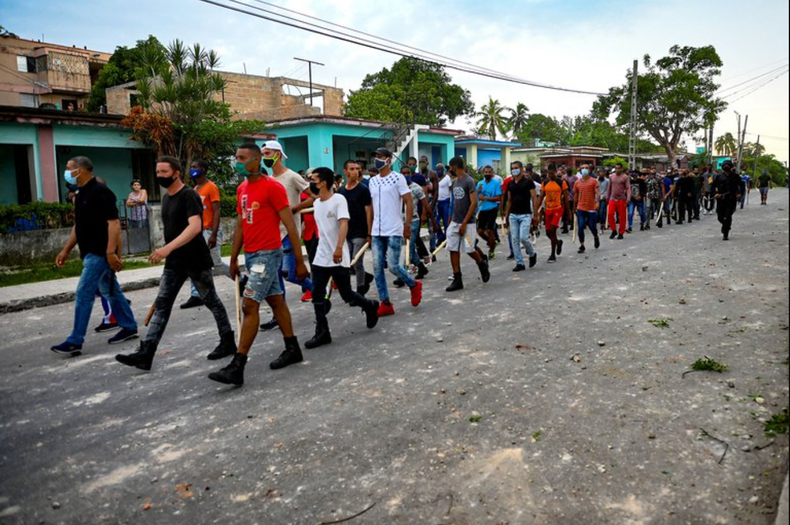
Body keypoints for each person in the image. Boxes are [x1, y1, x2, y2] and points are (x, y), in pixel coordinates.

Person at [115, 157, 237, 371]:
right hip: (175, 262)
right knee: (162, 305)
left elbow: (194, 227)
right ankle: (146, 353)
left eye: (164, 171)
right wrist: (169, 251)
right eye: (157, 171)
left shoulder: (189, 195)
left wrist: (166, 248)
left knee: (211, 300)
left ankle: (227, 341)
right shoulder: (166, 198)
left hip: (195, 258)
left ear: (177, 173)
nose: (160, 175)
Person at [208, 144, 309, 386]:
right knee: (276, 300)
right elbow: (242, 225)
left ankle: (237, 365)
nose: (238, 162)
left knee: (249, 305)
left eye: (242, 158)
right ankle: (292, 347)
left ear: (255, 160)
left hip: (268, 255)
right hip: (251, 256)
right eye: (236, 158)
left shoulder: (273, 187)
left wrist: (298, 260)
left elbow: (291, 226)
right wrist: (233, 258)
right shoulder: (242, 188)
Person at [51, 157, 139, 355]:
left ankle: (75, 340)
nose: (66, 172)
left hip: (99, 252)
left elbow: (114, 224)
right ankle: (129, 326)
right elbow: (78, 226)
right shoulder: (81, 194)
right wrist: (65, 250)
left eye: (69, 169)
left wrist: (111, 253)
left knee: (84, 293)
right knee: (111, 291)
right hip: (89, 251)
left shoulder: (101, 192)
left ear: (80, 170)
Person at [302, 167, 380, 349]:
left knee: (347, 295)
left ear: (323, 182)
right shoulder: (318, 203)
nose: (311, 183)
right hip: (322, 255)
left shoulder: (338, 200)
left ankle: (369, 306)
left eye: (314, 179)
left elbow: (344, 224)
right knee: (317, 292)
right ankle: (322, 332)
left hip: (338, 255)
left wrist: (338, 247)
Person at [259, 140, 314, 331]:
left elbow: (313, 196)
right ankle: (278, 314)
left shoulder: (291, 177)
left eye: (268, 153)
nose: (264, 157)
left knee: (290, 273)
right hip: (272, 232)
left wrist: (296, 208)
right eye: (263, 153)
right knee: (276, 277)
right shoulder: (267, 180)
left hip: (288, 232)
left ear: (279, 154)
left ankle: (317, 290)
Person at [368, 147, 423, 316]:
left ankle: (413, 285)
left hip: (393, 228)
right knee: (377, 268)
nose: (376, 159)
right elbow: (370, 206)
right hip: (377, 230)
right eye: (375, 156)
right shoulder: (372, 181)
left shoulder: (397, 178)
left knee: (393, 266)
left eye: (380, 156)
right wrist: (369, 230)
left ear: (388, 160)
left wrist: (407, 225)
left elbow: (408, 201)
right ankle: (385, 303)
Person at [180, 160, 233, 309]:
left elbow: (217, 210)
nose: (192, 169)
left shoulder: (212, 187)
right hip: (197, 231)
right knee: (193, 263)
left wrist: (214, 234)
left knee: (215, 263)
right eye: (191, 167)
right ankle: (196, 295)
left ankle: (241, 280)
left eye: (195, 167)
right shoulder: (196, 188)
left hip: (209, 230)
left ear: (203, 169)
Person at [445, 157, 491, 292]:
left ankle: (481, 263)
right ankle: (457, 278)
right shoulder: (455, 182)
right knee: (453, 249)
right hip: (455, 221)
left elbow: (473, 203)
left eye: (450, 167)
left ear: (454, 166)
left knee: (469, 249)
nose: (449, 170)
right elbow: (454, 203)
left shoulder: (469, 181)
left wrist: (464, 222)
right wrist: (450, 219)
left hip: (468, 223)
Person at [338, 160, 374, 295]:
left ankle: (360, 289)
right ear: (345, 171)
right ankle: (365, 278)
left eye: (357, 169)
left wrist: (369, 233)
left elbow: (368, 211)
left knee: (356, 261)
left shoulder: (363, 190)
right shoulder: (341, 191)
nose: (355, 171)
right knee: (347, 263)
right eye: (352, 169)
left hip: (360, 231)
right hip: (346, 231)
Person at [503, 161, 538, 271]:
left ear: (522, 169)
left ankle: (532, 253)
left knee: (524, 238)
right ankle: (520, 262)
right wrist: (507, 215)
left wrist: (536, 214)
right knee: (514, 239)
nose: (514, 170)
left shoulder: (528, 182)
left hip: (525, 214)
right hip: (513, 214)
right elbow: (509, 200)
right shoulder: (510, 184)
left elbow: (534, 198)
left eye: (516, 168)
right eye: (512, 168)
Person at [537, 164, 569, 263]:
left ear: (555, 172)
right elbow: (541, 196)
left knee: (553, 230)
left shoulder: (561, 183)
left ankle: (552, 255)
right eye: (548, 174)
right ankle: (558, 243)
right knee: (547, 232)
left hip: (557, 209)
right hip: (548, 209)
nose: (550, 176)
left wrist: (568, 213)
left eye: (551, 174)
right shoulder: (545, 182)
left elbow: (566, 198)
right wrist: (536, 210)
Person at [712, 160, 745, 241]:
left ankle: (725, 233)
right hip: (721, 199)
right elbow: (713, 186)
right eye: (725, 165)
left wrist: (740, 193)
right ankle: (726, 225)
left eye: (728, 165)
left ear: (731, 166)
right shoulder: (718, 176)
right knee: (720, 217)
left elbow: (742, 185)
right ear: (722, 167)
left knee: (728, 215)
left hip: (731, 199)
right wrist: (716, 193)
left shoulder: (735, 176)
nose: (726, 166)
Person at [476, 166, 503, 260]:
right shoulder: (480, 183)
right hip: (482, 209)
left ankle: (491, 251)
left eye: (489, 172)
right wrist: (479, 191)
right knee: (480, 231)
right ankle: (492, 242)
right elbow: (477, 196)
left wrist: (486, 198)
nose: (487, 174)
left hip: (492, 209)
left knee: (489, 230)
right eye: (485, 172)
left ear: (492, 173)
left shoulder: (496, 183)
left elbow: (498, 198)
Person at [573, 164, 601, 253]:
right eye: (582, 168)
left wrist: (597, 202)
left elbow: (597, 193)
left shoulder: (594, 181)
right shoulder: (577, 182)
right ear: (580, 170)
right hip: (581, 207)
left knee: (592, 226)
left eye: (586, 168)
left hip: (591, 207)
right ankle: (582, 245)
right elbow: (576, 195)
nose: (584, 169)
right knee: (580, 226)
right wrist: (574, 207)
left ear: (589, 170)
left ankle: (595, 236)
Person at [606, 163, 631, 239]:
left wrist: (628, 198)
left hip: (622, 199)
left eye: (619, 168)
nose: (617, 169)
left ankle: (621, 233)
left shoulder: (625, 177)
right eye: (616, 168)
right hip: (612, 199)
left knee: (622, 217)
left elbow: (628, 188)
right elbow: (609, 187)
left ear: (621, 169)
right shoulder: (612, 176)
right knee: (610, 214)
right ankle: (613, 230)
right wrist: (607, 197)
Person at [436, 163, 452, 241]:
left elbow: (451, 189)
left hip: (446, 201)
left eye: (439, 169)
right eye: (437, 169)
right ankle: (440, 236)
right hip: (438, 202)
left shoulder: (447, 178)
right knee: (436, 221)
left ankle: (447, 238)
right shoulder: (436, 179)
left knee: (446, 221)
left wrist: (451, 200)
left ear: (443, 170)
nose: (438, 171)